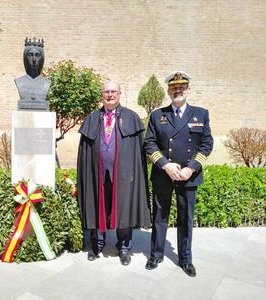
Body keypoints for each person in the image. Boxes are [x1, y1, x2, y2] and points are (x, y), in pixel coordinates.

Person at [144, 71, 213, 277]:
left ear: (188, 89)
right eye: (174, 87)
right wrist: (165, 165)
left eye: (182, 86)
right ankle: (156, 255)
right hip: (164, 175)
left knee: (185, 219)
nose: (178, 90)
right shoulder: (158, 115)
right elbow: (149, 142)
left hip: (188, 176)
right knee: (159, 216)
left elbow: (206, 143)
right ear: (168, 90)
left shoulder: (201, 113)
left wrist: (191, 168)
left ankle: (185, 259)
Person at [77, 80, 151, 266]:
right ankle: (97, 244)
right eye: (106, 92)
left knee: (123, 207)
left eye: (113, 92)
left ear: (119, 94)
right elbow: (84, 152)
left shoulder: (132, 117)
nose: (110, 95)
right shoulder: (92, 118)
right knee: (96, 205)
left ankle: (124, 247)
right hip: (97, 172)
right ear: (102, 95)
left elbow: (137, 153)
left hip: (124, 174)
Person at [15, 37, 51, 110]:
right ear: (25, 58)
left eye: (37, 55)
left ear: (42, 58)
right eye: (30, 55)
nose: (34, 59)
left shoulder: (46, 83)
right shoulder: (19, 81)